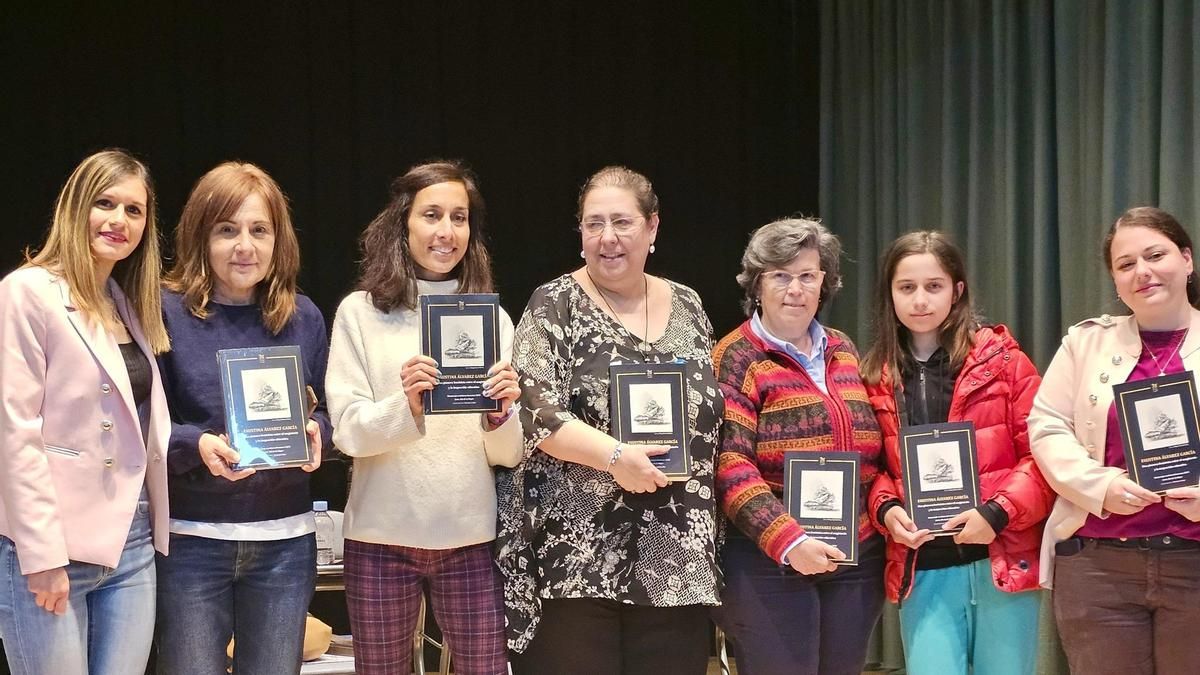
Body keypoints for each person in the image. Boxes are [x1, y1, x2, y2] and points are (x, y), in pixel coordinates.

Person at [497, 166, 722, 674]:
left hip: (677, 559)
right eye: (593, 224)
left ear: (653, 228)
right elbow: (538, 412)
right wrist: (616, 457)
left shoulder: (689, 304)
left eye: (622, 222)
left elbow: (709, 415)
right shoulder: (554, 303)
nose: (608, 238)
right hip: (577, 557)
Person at [325, 161, 522, 675]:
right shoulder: (360, 312)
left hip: (469, 535)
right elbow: (346, 432)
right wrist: (405, 405)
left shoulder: (491, 317)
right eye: (431, 215)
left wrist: (500, 419)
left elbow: (508, 455)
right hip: (379, 537)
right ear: (403, 224)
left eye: (459, 218)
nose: (446, 231)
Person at [154, 162, 332, 675]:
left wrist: (321, 434)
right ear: (199, 236)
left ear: (280, 240)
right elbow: (144, 426)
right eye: (226, 230)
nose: (244, 247)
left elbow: (330, 413)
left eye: (259, 230)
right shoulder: (164, 313)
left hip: (283, 543)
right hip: (191, 541)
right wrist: (195, 444)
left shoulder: (303, 316)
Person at [0, 149, 171, 674]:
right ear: (76, 207)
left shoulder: (123, 299)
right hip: (54, 546)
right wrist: (42, 555)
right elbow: (15, 430)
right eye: (105, 203)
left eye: (134, 210)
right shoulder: (28, 291)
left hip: (133, 540)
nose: (120, 221)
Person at [860, 231, 1053, 675]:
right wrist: (887, 510)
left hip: (1001, 558)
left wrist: (997, 513)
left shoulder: (1006, 363)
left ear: (957, 290)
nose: (920, 300)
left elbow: (1044, 457)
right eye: (906, 288)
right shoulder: (872, 376)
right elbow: (874, 469)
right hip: (924, 562)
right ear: (889, 295)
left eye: (934, 286)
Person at [1029, 206, 1200, 675]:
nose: (1142, 271)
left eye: (1155, 254)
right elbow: (1046, 425)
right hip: (1099, 568)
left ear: (1186, 259)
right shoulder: (1085, 344)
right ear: (1115, 280)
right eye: (1126, 264)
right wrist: (1096, 486)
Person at [711, 217, 884, 675]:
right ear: (757, 284)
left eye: (807, 275)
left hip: (856, 556)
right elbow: (730, 465)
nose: (795, 289)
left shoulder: (843, 348)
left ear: (824, 282)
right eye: (780, 275)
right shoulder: (735, 355)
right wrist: (789, 540)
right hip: (769, 561)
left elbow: (874, 451)